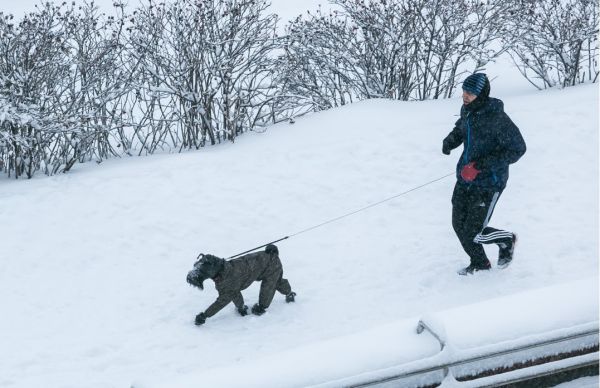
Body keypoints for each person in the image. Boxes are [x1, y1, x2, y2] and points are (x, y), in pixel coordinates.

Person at [442, 73, 526, 275]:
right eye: (464, 90)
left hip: (489, 183)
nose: (465, 95)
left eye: (470, 92)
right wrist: (451, 140)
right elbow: (462, 128)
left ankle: (505, 239)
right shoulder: (468, 111)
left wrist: (480, 165)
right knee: (458, 224)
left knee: (473, 231)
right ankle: (480, 263)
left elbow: (518, 149)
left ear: (481, 94)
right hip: (465, 178)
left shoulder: (497, 118)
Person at [186, 244, 296, 325]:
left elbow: (222, 301)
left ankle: (285, 295)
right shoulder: (224, 271)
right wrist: (241, 307)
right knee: (276, 281)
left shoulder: (228, 280)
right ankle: (288, 292)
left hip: (271, 264)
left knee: (270, 286)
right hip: (262, 261)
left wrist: (204, 315)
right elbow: (234, 293)